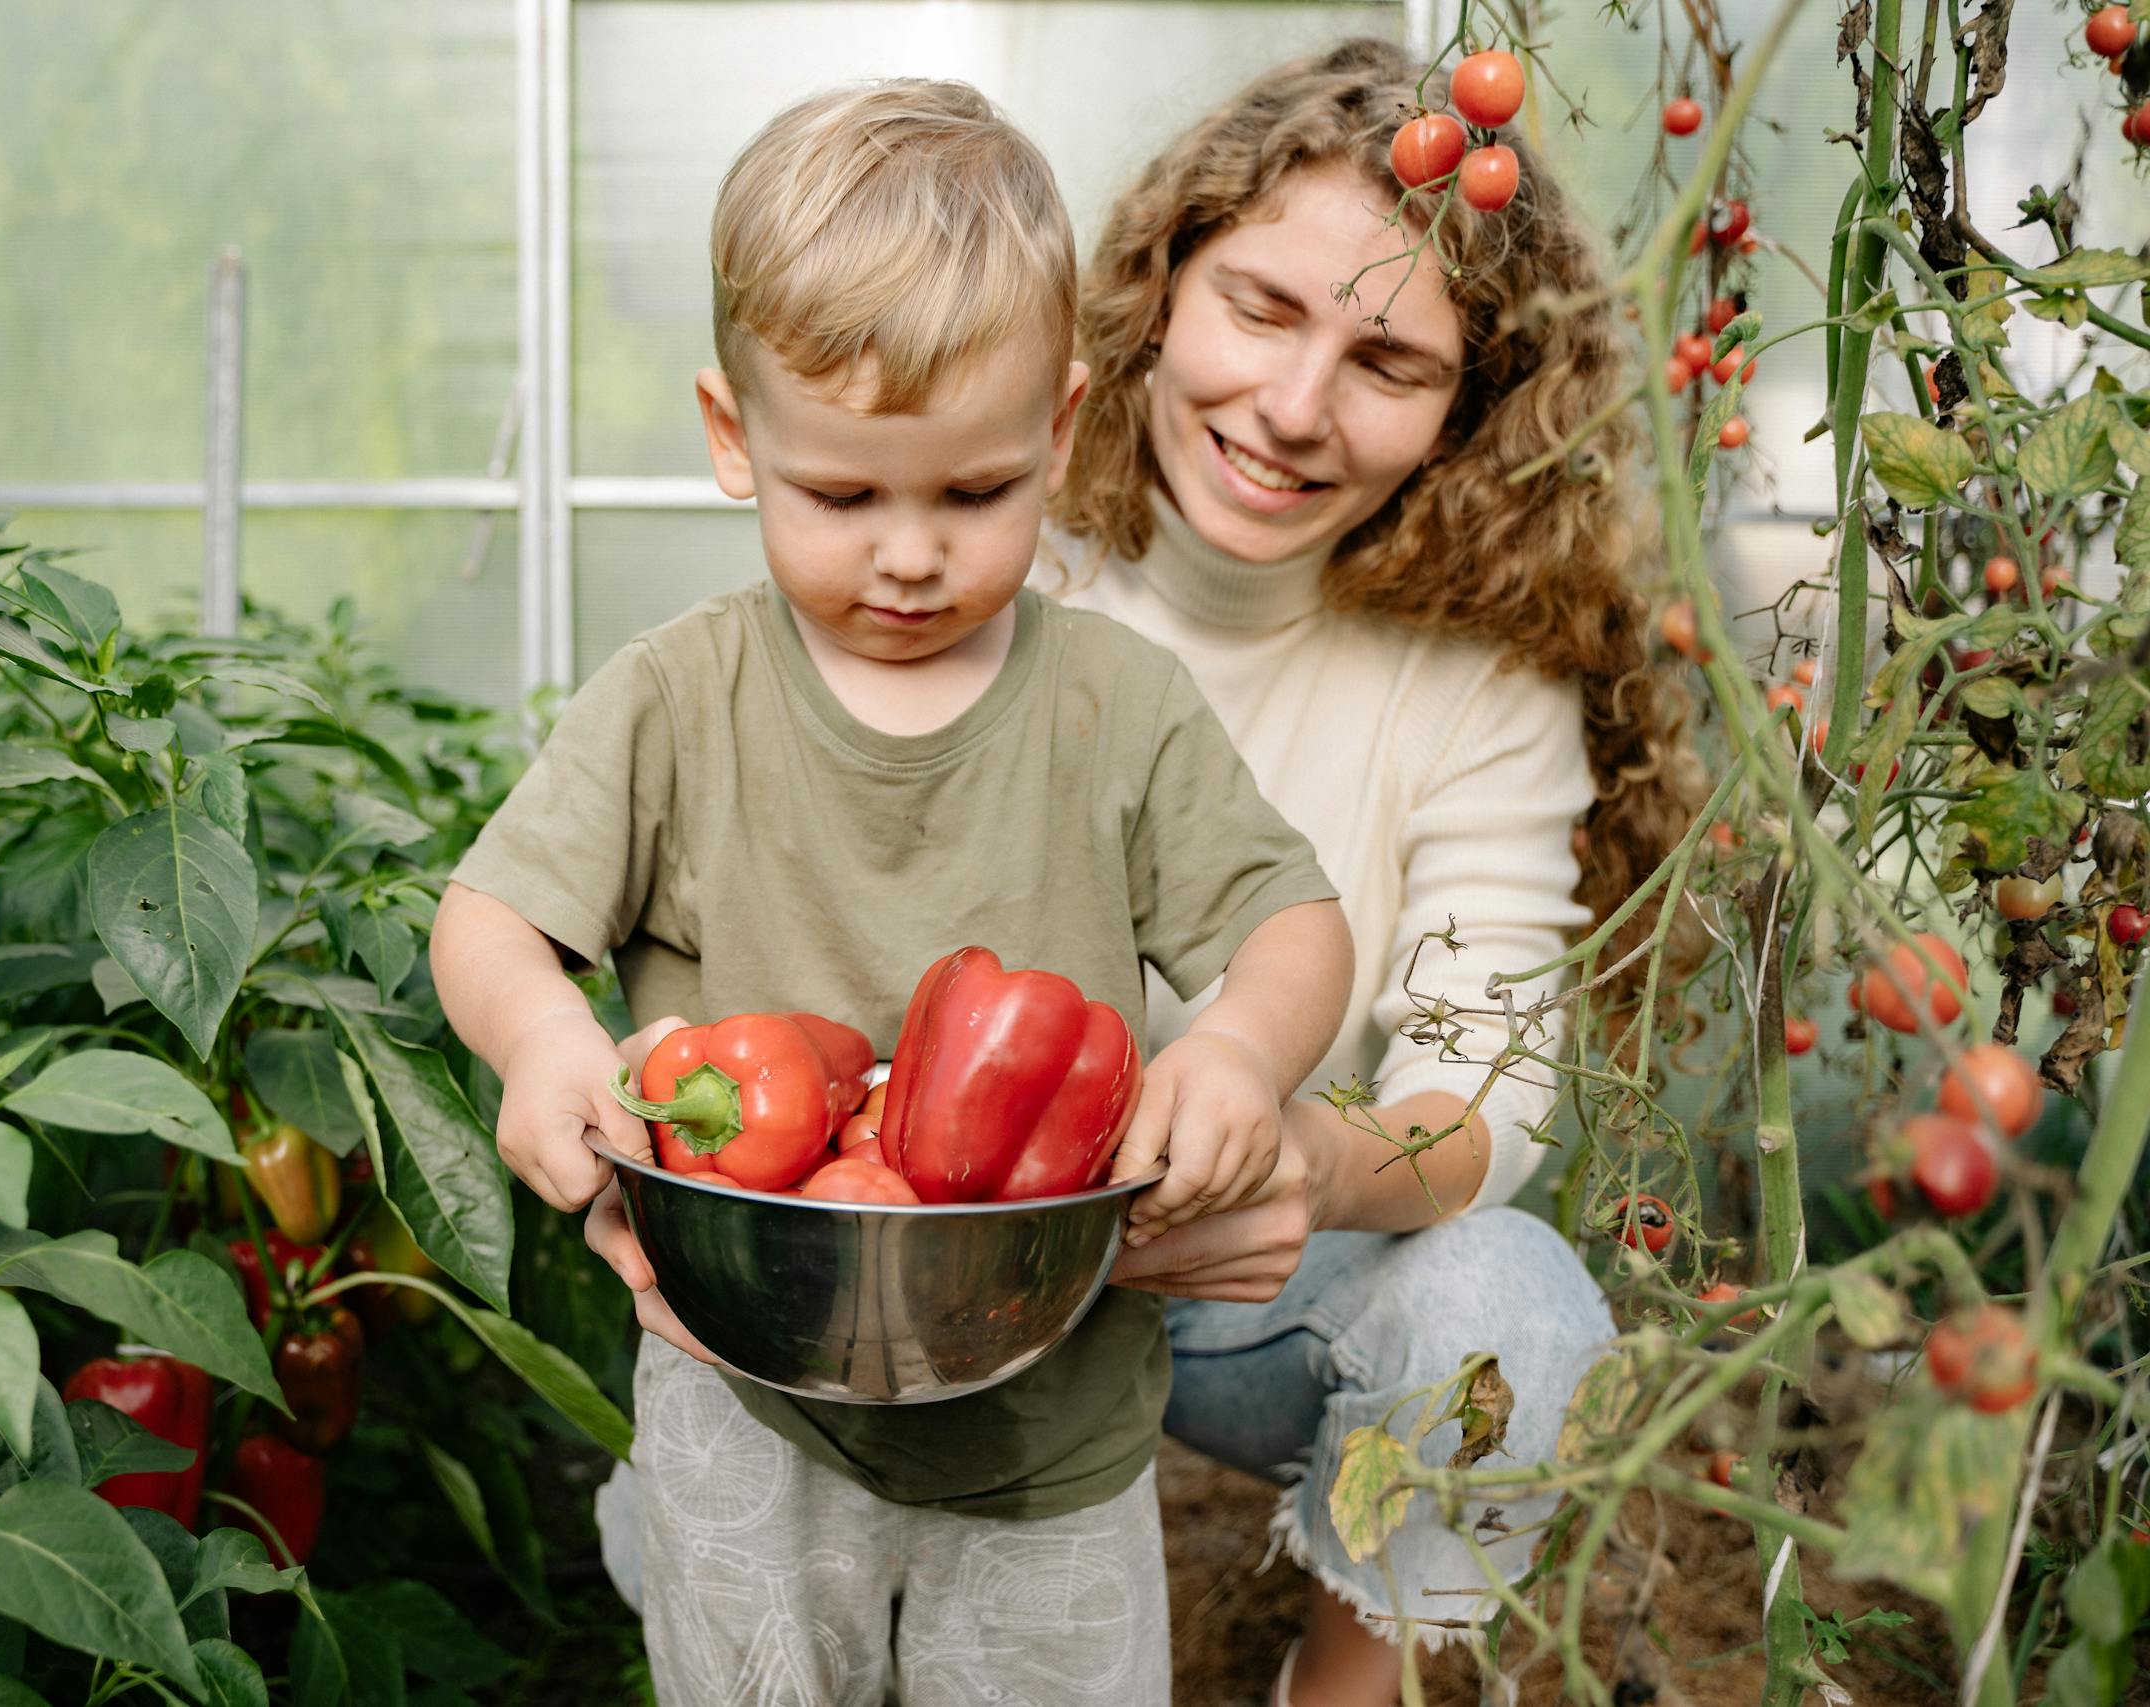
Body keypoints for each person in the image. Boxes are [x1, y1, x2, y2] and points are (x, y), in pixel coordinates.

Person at [432, 79, 1354, 1705]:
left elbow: (1293, 922)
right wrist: (537, 1045)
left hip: (1048, 1424)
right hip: (740, 1396)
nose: (910, 555)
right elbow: (493, 919)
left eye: (976, 494)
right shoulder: (676, 698)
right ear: (736, 438)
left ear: (1063, 434)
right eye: (844, 498)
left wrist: (1239, 1060)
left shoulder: (1116, 708)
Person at [1038, 37, 1705, 1707]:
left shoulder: (1479, 678)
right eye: (1261, 308)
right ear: (1163, 285)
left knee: (1512, 1307)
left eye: (1387, 361)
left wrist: (1312, 1169)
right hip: (964, 1262)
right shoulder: (994, 546)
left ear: (1466, 419)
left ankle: (1350, 1683)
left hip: (1253, 1285)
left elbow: (1490, 1086)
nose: (1292, 408)